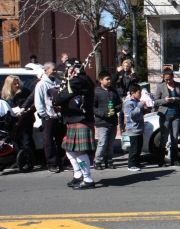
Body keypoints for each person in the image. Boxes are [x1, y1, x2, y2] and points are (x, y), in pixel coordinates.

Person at [52, 58, 96, 190]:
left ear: (74, 68)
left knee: (79, 151)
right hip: (73, 119)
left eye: (67, 68)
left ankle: (88, 179)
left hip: (80, 119)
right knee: (69, 148)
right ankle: (78, 175)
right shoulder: (79, 80)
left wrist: (56, 98)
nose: (66, 71)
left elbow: (60, 97)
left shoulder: (78, 80)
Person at [34, 62, 67, 173]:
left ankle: (63, 161)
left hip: (59, 116)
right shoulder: (41, 84)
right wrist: (45, 115)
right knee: (48, 141)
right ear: (46, 70)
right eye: (53, 69)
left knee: (61, 140)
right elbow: (38, 102)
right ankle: (51, 163)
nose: (55, 71)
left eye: (56, 69)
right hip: (48, 117)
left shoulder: (59, 82)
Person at [154, 70, 180, 167]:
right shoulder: (160, 86)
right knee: (164, 137)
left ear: (173, 77)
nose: (168, 81)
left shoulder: (179, 85)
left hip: (176, 114)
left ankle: (175, 159)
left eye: (169, 79)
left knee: (175, 137)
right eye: (166, 79)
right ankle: (161, 160)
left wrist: (175, 99)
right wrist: (165, 100)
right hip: (165, 114)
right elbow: (156, 101)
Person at [93, 70, 122, 170]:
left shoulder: (113, 91)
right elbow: (93, 108)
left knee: (110, 143)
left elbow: (119, 104)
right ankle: (97, 161)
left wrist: (115, 110)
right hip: (102, 122)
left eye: (110, 79)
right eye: (107, 79)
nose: (109, 81)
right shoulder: (96, 92)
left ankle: (109, 160)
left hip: (113, 121)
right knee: (102, 142)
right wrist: (104, 114)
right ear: (100, 80)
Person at [1, 76, 36, 151]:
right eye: (14, 84)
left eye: (18, 83)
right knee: (16, 140)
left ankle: (29, 157)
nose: (17, 85)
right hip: (13, 121)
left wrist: (28, 110)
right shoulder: (4, 96)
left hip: (25, 118)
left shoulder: (24, 92)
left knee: (27, 139)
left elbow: (32, 102)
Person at [123, 83, 147, 171]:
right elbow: (132, 115)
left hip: (139, 128)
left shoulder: (136, 102)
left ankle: (137, 163)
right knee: (134, 148)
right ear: (132, 93)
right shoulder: (129, 102)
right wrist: (140, 106)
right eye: (138, 92)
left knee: (139, 147)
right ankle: (131, 164)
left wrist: (144, 108)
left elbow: (139, 113)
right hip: (133, 128)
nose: (140, 94)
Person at [113, 59, 138, 132]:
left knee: (129, 110)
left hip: (128, 93)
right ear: (122, 66)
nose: (126, 67)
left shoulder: (130, 73)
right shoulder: (120, 72)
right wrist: (117, 72)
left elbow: (136, 81)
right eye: (125, 66)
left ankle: (129, 124)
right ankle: (121, 125)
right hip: (121, 93)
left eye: (127, 66)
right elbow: (113, 80)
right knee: (122, 110)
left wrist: (133, 73)